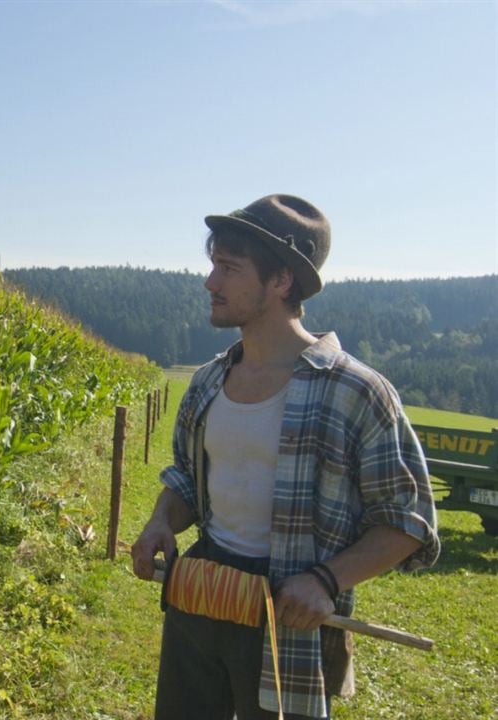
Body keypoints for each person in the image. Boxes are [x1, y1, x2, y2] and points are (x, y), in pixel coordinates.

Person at [130, 194, 439, 720]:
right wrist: (162, 519)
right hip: (201, 596)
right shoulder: (208, 382)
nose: (210, 283)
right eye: (214, 266)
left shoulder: (358, 392)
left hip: (289, 619)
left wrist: (325, 581)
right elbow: (186, 478)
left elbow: (407, 523)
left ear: (281, 282)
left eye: (228, 269)